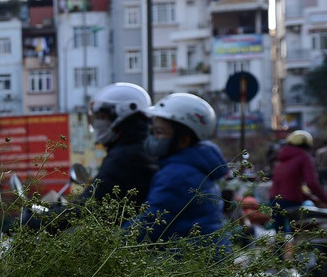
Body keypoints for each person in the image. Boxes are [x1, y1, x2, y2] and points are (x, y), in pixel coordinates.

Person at [127, 93, 229, 247]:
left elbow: (150, 223)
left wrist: (110, 242)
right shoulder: (193, 165)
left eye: (159, 132)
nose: (153, 138)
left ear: (183, 140)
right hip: (206, 254)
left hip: (190, 261)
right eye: (153, 131)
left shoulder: (177, 176)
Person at [82, 82, 157, 205]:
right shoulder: (140, 146)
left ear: (121, 114)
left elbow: (86, 206)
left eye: (102, 117)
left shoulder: (126, 158)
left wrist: (42, 220)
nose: (99, 123)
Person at [268, 130, 327, 240]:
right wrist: (326, 201)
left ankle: (279, 256)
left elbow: (289, 186)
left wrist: (313, 198)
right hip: (291, 202)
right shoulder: (304, 157)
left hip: (274, 199)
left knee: (279, 236)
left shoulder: (282, 157)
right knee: (299, 236)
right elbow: (311, 183)